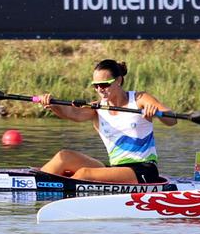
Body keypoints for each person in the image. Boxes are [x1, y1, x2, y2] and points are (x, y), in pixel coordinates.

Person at [36, 59, 177, 183]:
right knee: (64, 157)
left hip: (143, 170)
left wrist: (158, 114)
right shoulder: (98, 107)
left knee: (84, 174)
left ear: (118, 80)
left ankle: (57, 192)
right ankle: (33, 184)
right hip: (115, 169)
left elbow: (172, 120)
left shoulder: (139, 99)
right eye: (95, 86)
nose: (100, 89)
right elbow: (72, 113)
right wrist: (52, 105)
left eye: (104, 84)